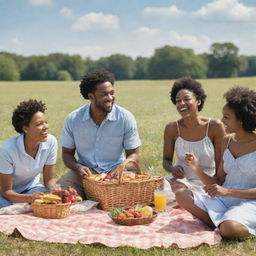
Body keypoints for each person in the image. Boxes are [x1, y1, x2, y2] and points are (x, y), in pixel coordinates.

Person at [182, 86, 256, 239]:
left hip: (250, 203)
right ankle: (221, 224)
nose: (222, 121)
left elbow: (225, 189)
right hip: (224, 199)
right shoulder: (227, 141)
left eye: (227, 117)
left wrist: (228, 191)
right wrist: (196, 168)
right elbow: (219, 181)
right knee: (183, 196)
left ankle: (226, 225)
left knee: (230, 228)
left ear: (241, 120)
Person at [57, 68, 141, 198]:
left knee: (131, 195)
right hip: (85, 175)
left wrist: (121, 167)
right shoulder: (73, 119)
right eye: (104, 95)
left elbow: (134, 155)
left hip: (118, 173)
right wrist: (78, 167)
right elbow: (67, 154)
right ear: (91, 96)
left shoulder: (125, 118)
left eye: (112, 93)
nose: (110, 98)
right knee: (60, 193)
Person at [163, 77, 225, 200]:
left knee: (180, 194)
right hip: (179, 180)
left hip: (205, 181)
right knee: (154, 193)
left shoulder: (215, 126)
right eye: (178, 101)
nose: (181, 104)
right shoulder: (172, 128)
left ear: (198, 101)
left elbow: (221, 168)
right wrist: (173, 169)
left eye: (187, 99)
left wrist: (215, 185)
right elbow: (166, 160)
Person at [0, 99, 57, 208]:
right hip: (6, 194)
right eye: (39, 124)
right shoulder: (7, 150)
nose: (46, 127)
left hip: (32, 189)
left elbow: (49, 180)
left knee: (50, 202)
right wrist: (29, 199)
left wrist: (58, 191)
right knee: (7, 209)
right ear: (25, 128)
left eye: (46, 122)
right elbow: (6, 191)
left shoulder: (51, 142)